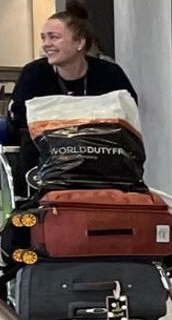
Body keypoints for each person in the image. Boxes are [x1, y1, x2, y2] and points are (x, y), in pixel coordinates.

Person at [7, 4, 136, 192]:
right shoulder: (34, 73)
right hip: (44, 161)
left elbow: (129, 115)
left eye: (54, 37)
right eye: (43, 37)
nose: (45, 44)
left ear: (80, 43)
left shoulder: (109, 73)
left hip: (101, 158)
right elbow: (18, 119)